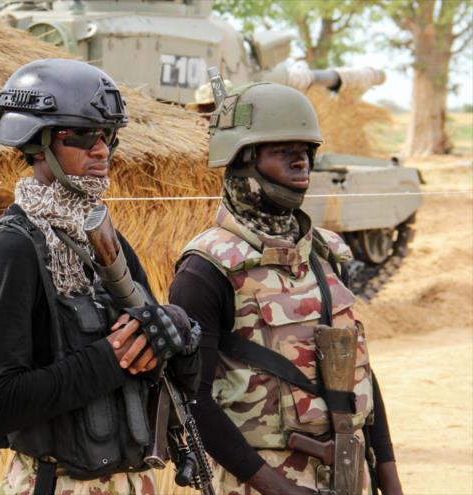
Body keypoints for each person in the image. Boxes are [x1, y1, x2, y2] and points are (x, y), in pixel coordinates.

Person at [0, 58, 201, 494]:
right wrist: (114, 358)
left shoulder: (107, 240)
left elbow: (171, 379)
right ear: (37, 143)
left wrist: (180, 338)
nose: (101, 150)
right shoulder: (12, 248)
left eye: (109, 136)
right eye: (82, 134)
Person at [170, 82, 403, 495]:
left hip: (350, 474)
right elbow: (193, 402)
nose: (302, 164)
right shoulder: (206, 268)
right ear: (242, 160)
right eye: (283, 151)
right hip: (259, 483)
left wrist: (389, 477)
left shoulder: (328, 253)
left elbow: (359, 372)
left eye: (306, 151)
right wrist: (278, 489)